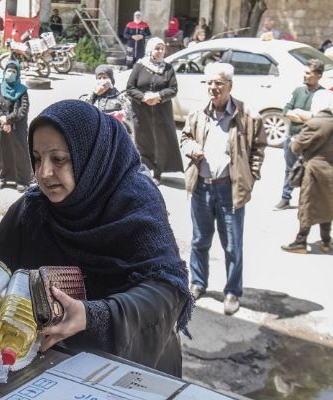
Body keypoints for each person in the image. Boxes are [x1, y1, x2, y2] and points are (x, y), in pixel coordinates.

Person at [0, 100, 192, 376]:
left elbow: (166, 291)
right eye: (37, 158)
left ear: (91, 156)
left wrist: (93, 315)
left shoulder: (135, 204)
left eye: (58, 159)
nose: (43, 173)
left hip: (128, 371)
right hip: (49, 367)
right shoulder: (33, 209)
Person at [180, 62, 267, 316]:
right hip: (201, 187)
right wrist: (190, 147)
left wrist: (252, 176)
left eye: (218, 83)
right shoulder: (197, 113)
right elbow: (185, 137)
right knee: (199, 241)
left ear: (230, 85)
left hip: (230, 190)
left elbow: (259, 147)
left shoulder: (248, 115)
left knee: (232, 245)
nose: (213, 87)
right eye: (209, 82)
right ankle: (198, 283)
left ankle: (232, 291)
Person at [126, 38, 183, 184]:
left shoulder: (168, 68)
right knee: (143, 141)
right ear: (150, 50)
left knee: (161, 141)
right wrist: (144, 97)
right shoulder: (139, 66)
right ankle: (145, 169)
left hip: (161, 112)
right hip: (141, 111)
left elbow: (173, 89)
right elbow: (130, 88)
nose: (160, 51)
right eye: (157, 48)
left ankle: (158, 172)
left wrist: (158, 96)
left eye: (162, 48)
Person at [281, 100, 333, 253]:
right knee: (327, 205)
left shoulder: (315, 123)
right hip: (330, 170)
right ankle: (326, 241)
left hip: (314, 170)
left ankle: (300, 241)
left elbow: (296, 148)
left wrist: (293, 142)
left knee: (307, 205)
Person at [274, 59, 325, 211]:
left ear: (318, 76)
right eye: (305, 72)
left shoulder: (322, 95)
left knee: (310, 171)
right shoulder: (297, 91)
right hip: (292, 137)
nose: (305, 76)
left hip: (311, 140)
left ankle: (308, 201)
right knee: (290, 169)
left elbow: (318, 118)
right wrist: (302, 116)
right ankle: (285, 198)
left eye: (308, 73)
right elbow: (286, 110)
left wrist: (301, 115)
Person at [0, 60, 33, 193]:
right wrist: (2, 119)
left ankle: (23, 180)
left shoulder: (22, 90)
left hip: (17, 126)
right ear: (4, 72)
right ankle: (3, 178)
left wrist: (7, 120)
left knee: (20, 152)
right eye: (9, 70)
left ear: (18, 74)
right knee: (2, 151)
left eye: (14, 71)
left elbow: (22, 110)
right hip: (1, 126)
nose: (11, 73)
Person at [86, 65, 131, 129]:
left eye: (104, 78)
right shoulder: (94, 95)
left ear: (111, 80)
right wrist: (95, 94)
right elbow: (84, 108)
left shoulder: (118, 95)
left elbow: (129, 111)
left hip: (115, 129)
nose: (102, 81)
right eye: (99, 78)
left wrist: (120, 114)